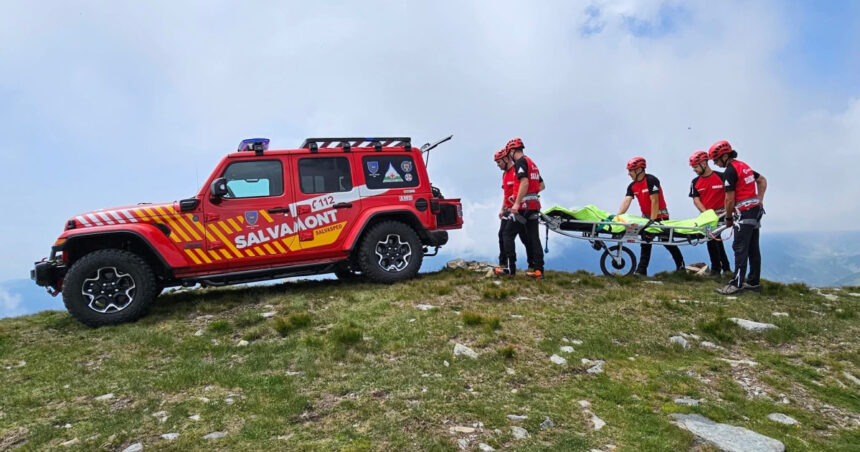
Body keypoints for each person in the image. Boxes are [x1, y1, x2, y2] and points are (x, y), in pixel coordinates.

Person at [709, 140, 767, 295]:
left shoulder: (730, 171)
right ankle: (753, 281)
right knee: (753, 247)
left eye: (716, 160)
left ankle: (737, 284)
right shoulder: (743, 166)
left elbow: (729, 199)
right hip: (755, 210)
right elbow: (761, 180)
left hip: (744, 212)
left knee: (740, 247)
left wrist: (728, 218)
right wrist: (759, 200)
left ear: (725, 155)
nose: (715, 163)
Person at [617, 156, 685, 276]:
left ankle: (681, 266)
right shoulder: (632, 186)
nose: (629, 174)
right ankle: (641, 271)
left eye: (631, 171)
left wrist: (653, 220)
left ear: (639, 170)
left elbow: (655, 201)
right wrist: (617, 216)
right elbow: (626, 201)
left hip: (660, 216)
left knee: (667, 242)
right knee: (645, 242)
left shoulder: (651, 180)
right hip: (646, 217)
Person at [496, 137, 545, 279]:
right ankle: (538, 270)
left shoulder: (521, 162)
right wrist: (526, 196)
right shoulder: (532, 163)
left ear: (512, 151)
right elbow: (541, 185)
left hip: (523, 208)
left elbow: (524, 182)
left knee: (507, 234)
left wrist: (517, 202)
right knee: (533, 238)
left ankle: (509, 269)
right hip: (534, 206)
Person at [688, 150, 732, 277]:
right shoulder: (695, 182)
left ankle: (716, 270)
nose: (694, 169)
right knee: (714, 239)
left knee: (712, 239)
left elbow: (730, 195)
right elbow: (696, 200)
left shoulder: (722, 176)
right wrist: (707, 214)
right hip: (708, 217)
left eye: (696, 166)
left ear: (704, 163)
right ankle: (725, 269)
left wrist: (726, 212)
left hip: (723, 215)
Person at [493, 148, 527, 270]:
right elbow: (505, 195)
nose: (498, 165)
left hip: (518, 210)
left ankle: (516, 265)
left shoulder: (516, 171)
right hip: (508, 209)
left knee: (522, 237)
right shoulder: (504, 174)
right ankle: (503, 263)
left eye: (499, 162)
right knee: (502, 234)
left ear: (506, 159)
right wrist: (502, 209)